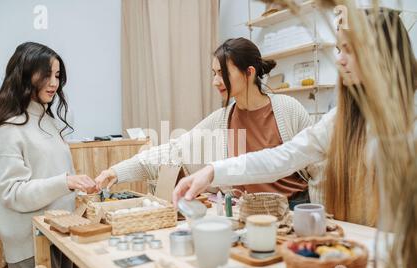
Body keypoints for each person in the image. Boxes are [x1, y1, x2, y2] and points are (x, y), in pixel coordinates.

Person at [172, 11, 416, 228]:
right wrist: (212, 172)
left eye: (351, 50)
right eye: (340, 49)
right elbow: (282, 157)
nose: (340, 60)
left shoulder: (287, 107)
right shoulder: (341, 119)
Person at [96, 37, 320, 208]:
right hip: (249, 215)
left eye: (222, 73)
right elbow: (173, 151)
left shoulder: (288, 109)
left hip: (294, 210)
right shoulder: (222, 119)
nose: (215, 81)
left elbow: (319, 169)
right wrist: (116, 171)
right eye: (213, 73)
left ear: (249, 73)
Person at [0, 42, 97, 268]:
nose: (53, 83)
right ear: (25, 74)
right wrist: (66, 182)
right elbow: (13, 193)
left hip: (59, 235)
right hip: (31, 245)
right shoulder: (9, 129)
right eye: (46, 74)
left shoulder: (48, 121)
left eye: (57, 75)